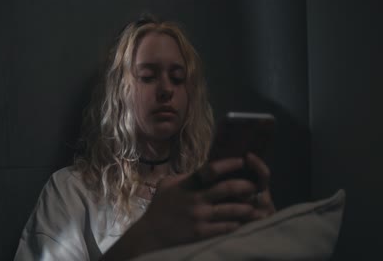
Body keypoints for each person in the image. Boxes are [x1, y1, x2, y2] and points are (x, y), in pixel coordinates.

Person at [14, 14, 276, 261]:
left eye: (177, 78)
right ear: (120, 92)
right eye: (148, 77)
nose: (165, 90)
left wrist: (269, 237)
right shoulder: (72, 191)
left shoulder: (210, 191)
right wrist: (148, 234)